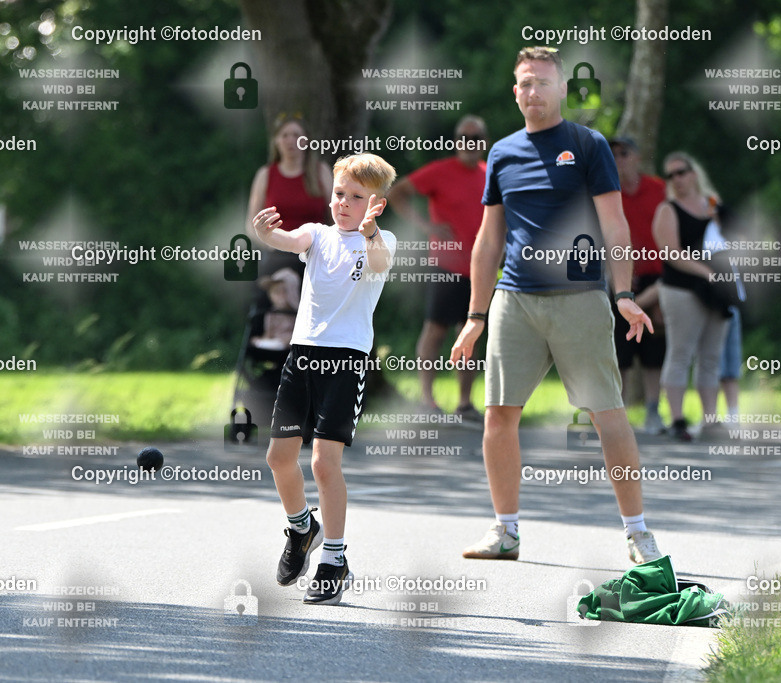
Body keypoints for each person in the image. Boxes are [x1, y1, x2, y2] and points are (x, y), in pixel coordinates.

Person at [450, 47, 663, 565]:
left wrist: (623, 294)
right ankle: (505, 531)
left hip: (580, 299)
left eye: (543, 83)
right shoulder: (502, 153)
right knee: (498, 416)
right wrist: (476, 316)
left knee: (607, 415)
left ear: (563, 90)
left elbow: (615, 225)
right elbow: (488, 241)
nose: (534, 92)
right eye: (525, 83)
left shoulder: (588, 145)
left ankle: (638, 534)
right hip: (515, 299)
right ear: (514, 91)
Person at [252, 153, 397, 605]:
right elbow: (289, 239)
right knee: (279, 458)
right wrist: (267, 234)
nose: (344, 203)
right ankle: (302, 528)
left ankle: (334, 559)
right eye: (339, 194)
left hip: (346, 361)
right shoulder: (317, 235)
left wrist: (370, 232)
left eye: (356, 197)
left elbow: (379, 264)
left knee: (323, 463)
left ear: (376, 205)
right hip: (302, 357)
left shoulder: (381, 241)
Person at [388, 115, 489, 421]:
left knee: (470, 334)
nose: (469, 143)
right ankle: (427, 402)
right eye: (463, 137)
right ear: (456, 142)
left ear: (484, 142)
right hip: (446, 265)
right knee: (435, 330)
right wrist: (425, 226)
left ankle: (465, 405)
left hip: (480, 269)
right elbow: (396, 192)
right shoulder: (440, 171)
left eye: (475, 138)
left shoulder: (490, 173)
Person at [651, 151, 731, 441]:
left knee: (711, 356)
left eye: (681, 172)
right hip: (681, 290)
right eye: (670, 175)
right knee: (680, 353)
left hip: (716, 292)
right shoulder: (667, 209)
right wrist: (705, 272)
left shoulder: (713, 204)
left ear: (694, 173)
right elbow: (671, 253)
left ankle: (710, 420)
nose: (677, 179)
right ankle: (677, 420)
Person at [608, 136, 668, 435]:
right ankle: (617, 417)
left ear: (637, 157)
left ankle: (653, 412)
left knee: (654, 350)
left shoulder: (659, 189)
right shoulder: (606, 192)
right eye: (613, 154)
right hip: (620, 279)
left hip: (655, 278)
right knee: (619, 349)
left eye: (624, 153)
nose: (618, 159)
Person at [247, 113, 333, 281]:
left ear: (306, 141)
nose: (290, 140)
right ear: (276, 141)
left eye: (296, 135)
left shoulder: (321, 172)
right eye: (285, 135)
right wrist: (269, 243)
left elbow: (335, 218)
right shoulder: (265, 175)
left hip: (316, 253)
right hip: (277, 253)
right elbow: (251, 223)